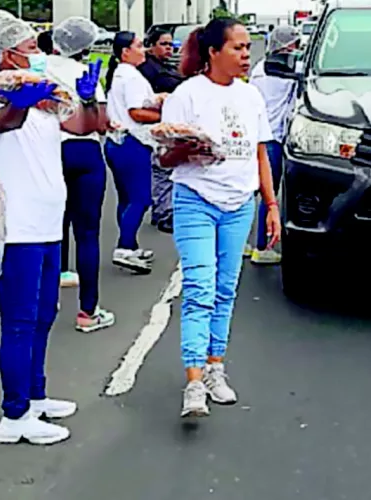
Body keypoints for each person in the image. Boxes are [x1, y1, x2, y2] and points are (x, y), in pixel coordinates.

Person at [0, 17, 102, 444]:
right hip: (15, 228)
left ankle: (36, 395)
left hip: (47, 223)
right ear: (9, 55)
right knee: (20, 321)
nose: (38, 52)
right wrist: (23, 99)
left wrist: (89, 99)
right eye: (30, 46)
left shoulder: (46, 99)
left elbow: (83, 127)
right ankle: (14, 414)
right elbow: (5, 123)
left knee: (45, 315)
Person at [159, 19, 281, 418]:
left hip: (239, 204)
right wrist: (190, 148)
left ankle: (216, 368)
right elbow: (165, 158)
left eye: (248, 48)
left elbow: (260, 154)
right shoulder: (187, 95)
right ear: (213, 52)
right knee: (200, 287)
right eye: (238, 48)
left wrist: (271, 205)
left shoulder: (251, 97)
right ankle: (194, 383)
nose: (246, 55)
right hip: (196, 199)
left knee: (226, 290)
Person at [48, 16, 115, 333]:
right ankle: (88, 312)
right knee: (87, 233)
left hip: (47, 152)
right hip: (85, 153)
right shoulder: (88, 74)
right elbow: (99, 123)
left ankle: (49, 296)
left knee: (50, 226)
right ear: (87, 46)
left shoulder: (41, 69)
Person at [105, 31, 162, 274]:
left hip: (116, 142)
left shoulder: (122, 74)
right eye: (139, 46)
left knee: (126, 198)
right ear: (125, 52)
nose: (144, 50)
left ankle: (131, 244)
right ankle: (124, 247)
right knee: (141, 198)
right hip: (133, 141)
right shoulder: (130, 77)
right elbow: (136, 112)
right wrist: (165, 117)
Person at [247, 25, 300, 265]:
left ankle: (245, 244)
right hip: (273, 138)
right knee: (269, 194)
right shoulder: (288, 71)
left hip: (253, 135)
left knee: (250, 193)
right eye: (295, 44)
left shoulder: (260, 68)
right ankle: (263, 247)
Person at [138, 28, 185, 234]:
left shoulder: (165, 66)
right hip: (154, 126)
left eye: (170, 44)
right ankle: (164, 212)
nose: (169, 48)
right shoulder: (148, 68)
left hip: (166, 123)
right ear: (152, 45)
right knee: (163, 170)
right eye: (164, 44)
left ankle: (164, 209)